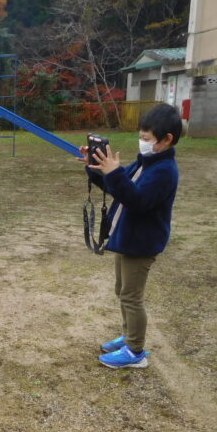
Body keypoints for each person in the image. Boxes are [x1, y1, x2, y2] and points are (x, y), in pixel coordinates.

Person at [80, 103, 181, 369]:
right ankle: (129, 336)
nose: (142, 142)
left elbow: (137, 200)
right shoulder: (146, 162)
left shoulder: (163, 171)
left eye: (147, 139)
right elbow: (119, 188)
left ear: (167, 139)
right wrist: (96, 168)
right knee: (122, 290)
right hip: (127, 237)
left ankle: (135, 351)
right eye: (141, 136)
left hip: (142, 243)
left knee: (131, 296)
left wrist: (114, 172)